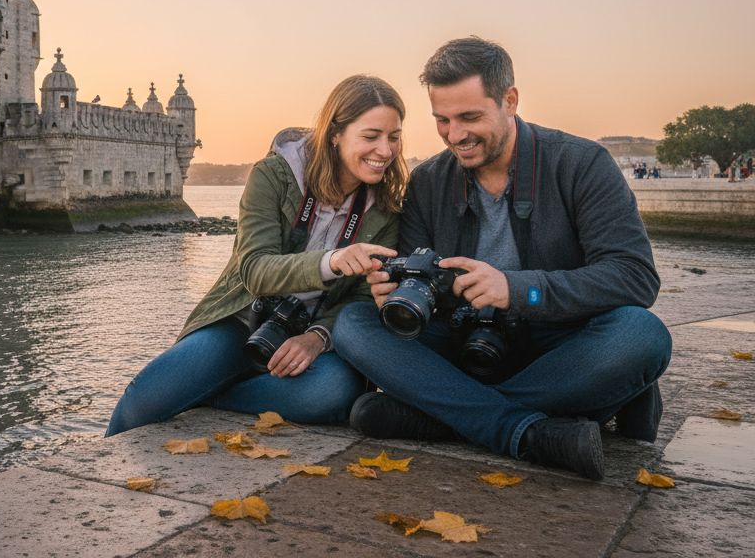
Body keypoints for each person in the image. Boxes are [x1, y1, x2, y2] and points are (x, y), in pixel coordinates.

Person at [332, 37, 670, 480]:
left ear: (509, 100)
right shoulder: (429, 181)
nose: (456, 135)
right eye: (442, 120)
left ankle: (444, 414)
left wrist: (517, 289)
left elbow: (634, 277)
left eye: (470, 117)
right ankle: (528, 429)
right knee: (355, 325)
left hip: (557, 344)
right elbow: (420, 282)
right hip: (462, 341)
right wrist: (399, 292)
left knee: (640, 335)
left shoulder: (582, 164)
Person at [106, 75, 408, 436]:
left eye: (394, 137)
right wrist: (332, 260)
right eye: (371, 136)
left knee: (332, 393)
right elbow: (254, 269)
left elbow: (362, 298)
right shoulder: (273, 176)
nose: (386, 151)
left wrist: (317, 337)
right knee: (143, 401)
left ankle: (210, 394)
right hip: (242, 318)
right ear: (335, 134)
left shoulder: (386, 208)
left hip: (311, 335)